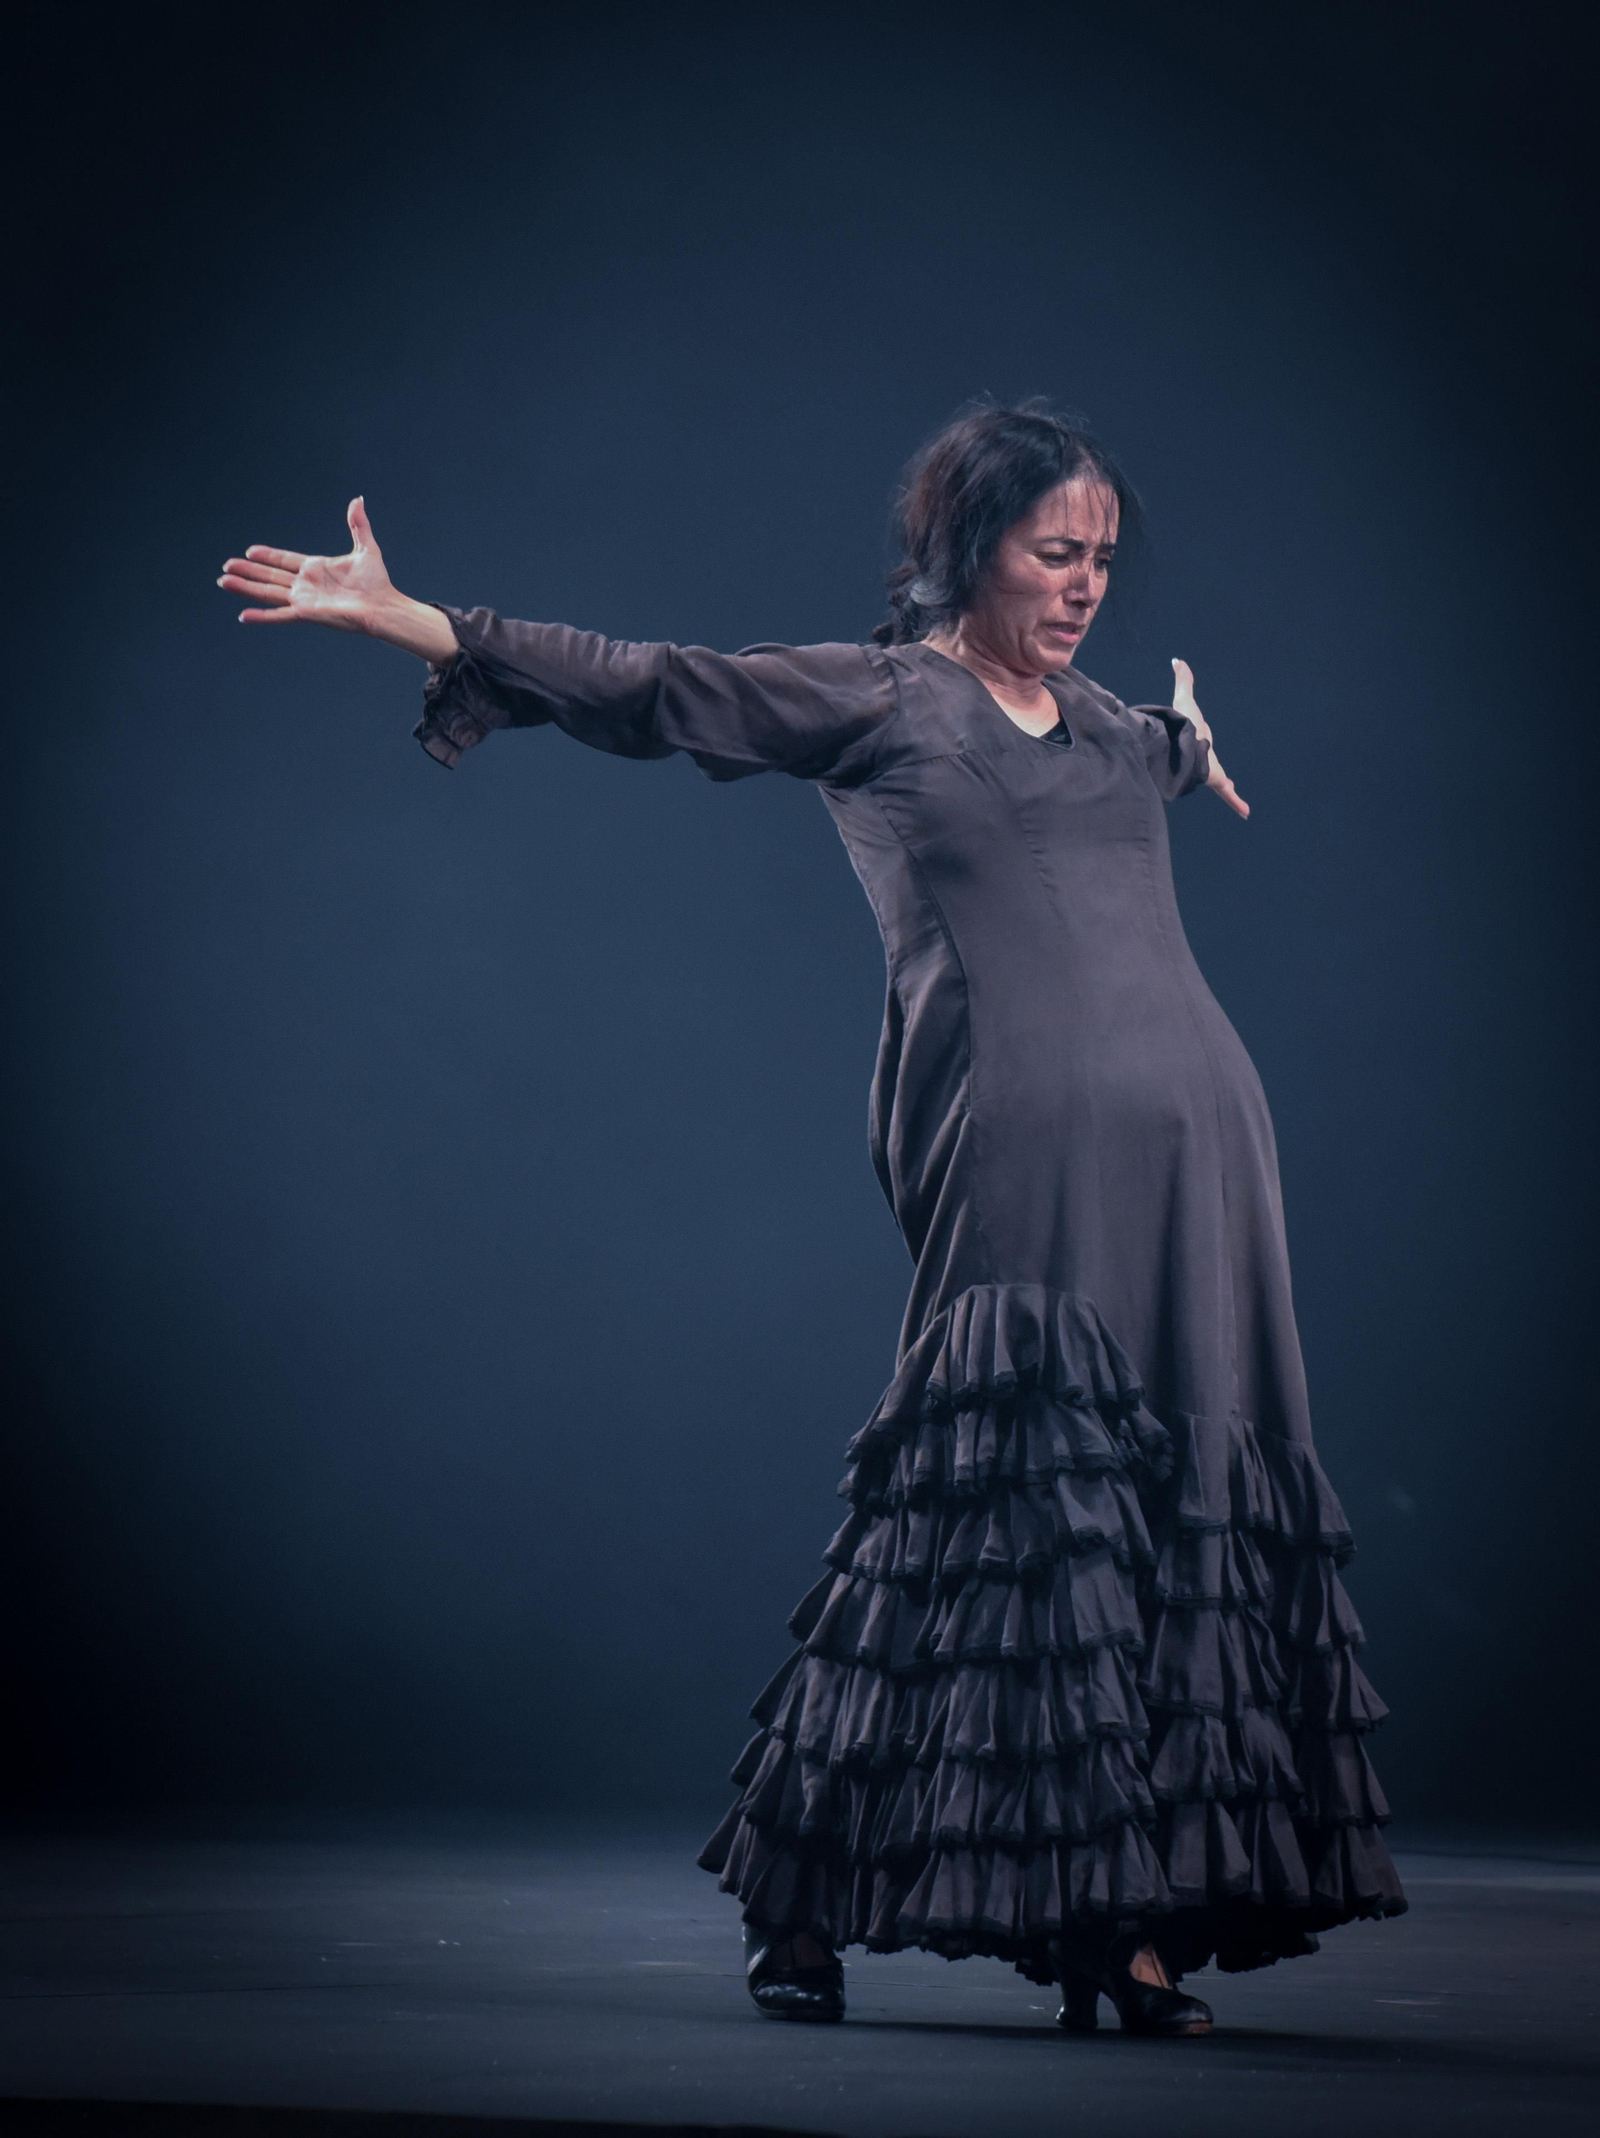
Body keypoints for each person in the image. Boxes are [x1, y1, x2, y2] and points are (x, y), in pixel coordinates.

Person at [217, 401, 1405, 2038]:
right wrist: (420, 621)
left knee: (1163, 1522)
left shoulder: (1120, 725)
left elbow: (1158, 756)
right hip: (1019, 1157)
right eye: (1054, 552)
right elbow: (652, 683)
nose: (1083, 587)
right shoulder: (881, 700)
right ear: (966, 544)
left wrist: (1193, 741)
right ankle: (818, 1893)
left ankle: (1123, 1924)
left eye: (1104, 560)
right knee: (990, 1527)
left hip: (1206, 1159)